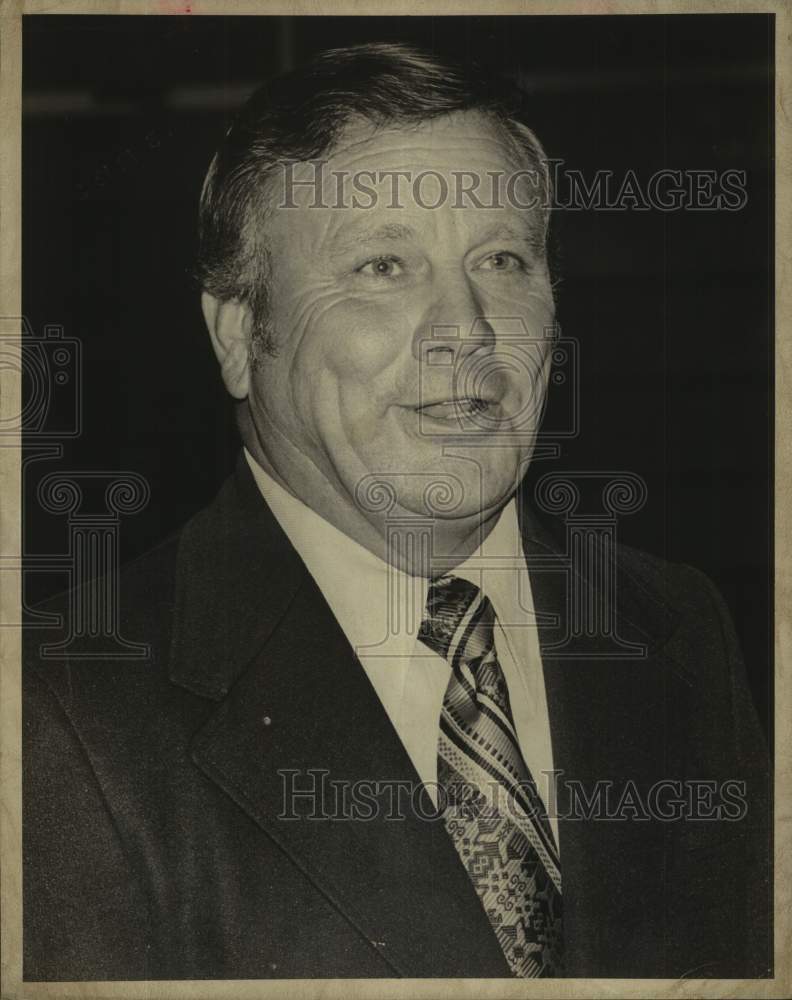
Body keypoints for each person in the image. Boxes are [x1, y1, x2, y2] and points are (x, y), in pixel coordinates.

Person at [23, 43, 770, 981]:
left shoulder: (682, 630)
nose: (466, 327)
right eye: (382, 266)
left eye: (502, 258)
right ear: (239, 336)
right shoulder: (63, 710)